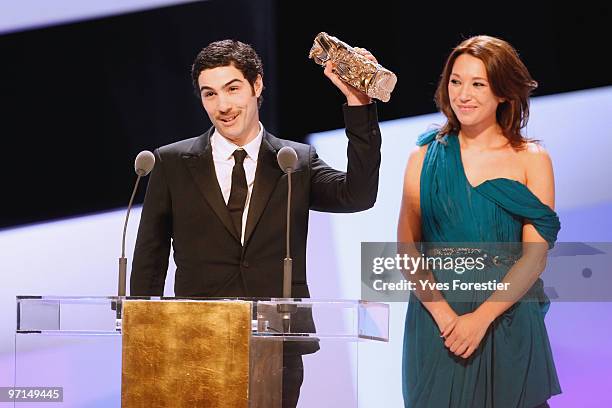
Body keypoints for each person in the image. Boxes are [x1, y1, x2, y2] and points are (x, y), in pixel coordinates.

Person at [130, 39, 381, 408]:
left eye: (232, 89)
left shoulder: (293, 161)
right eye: (210, 94)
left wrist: (359, 107)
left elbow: (357, 195)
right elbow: (150, 257)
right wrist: (141, 335)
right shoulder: (171, 162)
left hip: (277, 344)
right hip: (197, 340)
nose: (223, 106)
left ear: (257, 86)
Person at [398, 35, 561, 407]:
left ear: (503, 92)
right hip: (439, 323)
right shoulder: (424, 155)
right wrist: (444, 316)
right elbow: (407, 248)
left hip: (507, 318)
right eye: (456, 81)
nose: (463, 94)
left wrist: (481, 318)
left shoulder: (531, 158)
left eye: (478, 83)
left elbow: (534, 257)